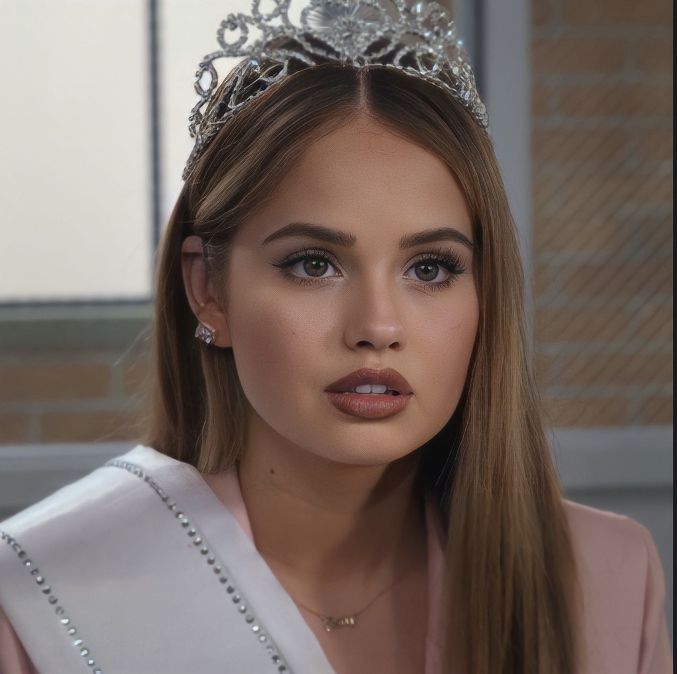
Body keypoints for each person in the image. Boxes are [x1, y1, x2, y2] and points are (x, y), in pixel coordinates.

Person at [0, 0, 672, 672]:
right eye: (312, 264)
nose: (377, 327)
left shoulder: (607, 580)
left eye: (430, 268)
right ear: (209, 288)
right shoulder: (39, 598)